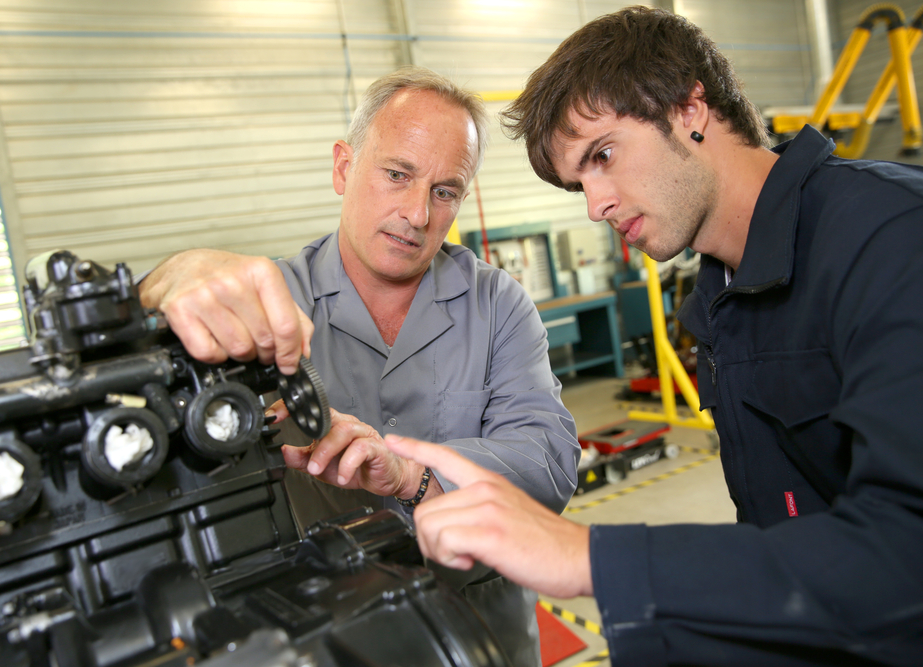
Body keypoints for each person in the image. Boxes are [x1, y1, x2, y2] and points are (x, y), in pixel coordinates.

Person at [383, 6, 923, 667]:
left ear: (690, 108)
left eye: (603, 155)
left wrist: (590, 557)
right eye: (579, 181)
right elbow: (785, 535)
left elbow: (906, 551)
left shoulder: (893, 239)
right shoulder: (722, 299)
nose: (595, 203)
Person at [139, 66, 581, 666]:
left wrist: (412, 476)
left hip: (479, 626)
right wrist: (176, 273)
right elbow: (152, 335)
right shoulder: (268, 304)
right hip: (321, 633)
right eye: (397, 175)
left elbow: (548, 461)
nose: (418, 213)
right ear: (344, 168)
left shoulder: (497, 304)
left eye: (445, 190)